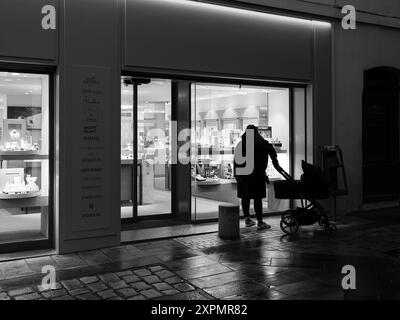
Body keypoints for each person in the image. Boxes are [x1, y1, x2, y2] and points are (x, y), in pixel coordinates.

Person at [234, 125, 282, 230]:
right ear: (256, 132)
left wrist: (237, 176)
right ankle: (260, 222)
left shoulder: (241, 144)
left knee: (245, 197)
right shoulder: (261, 143)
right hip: (257, 175)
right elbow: (272, 151)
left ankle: (247, 219)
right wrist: (276, 164)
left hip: (243, 175)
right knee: (257, 198)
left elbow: (236, 162)